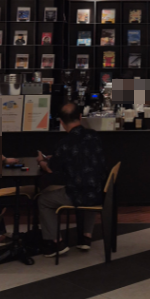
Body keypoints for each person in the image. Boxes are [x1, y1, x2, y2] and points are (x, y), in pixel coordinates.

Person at [36, 103, 107, 258]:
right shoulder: (94, 136)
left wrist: (41, 161)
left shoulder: (64, 143)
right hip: (99, 193)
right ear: (80, 117)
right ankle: (86, 237)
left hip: (76, 194)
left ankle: (56, 242)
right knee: (90, 185)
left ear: (61, 122)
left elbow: (50, 169)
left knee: (43, 200)